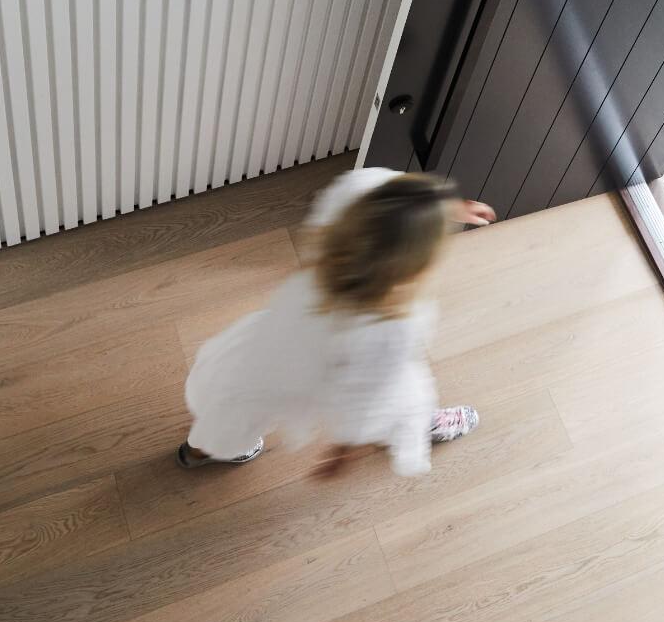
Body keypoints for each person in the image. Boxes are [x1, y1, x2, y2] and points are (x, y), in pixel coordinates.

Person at [176, 167, 495, 478]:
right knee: (399, 395)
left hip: (258, 351)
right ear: (415, 267)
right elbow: (371, 394)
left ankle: (198, 450)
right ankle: (420, 423)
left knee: (232, 407)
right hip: (322, 380)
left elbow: (363, 187)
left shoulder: (329, 238)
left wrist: (436, 207)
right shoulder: (392, 328)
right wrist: (346, 448)